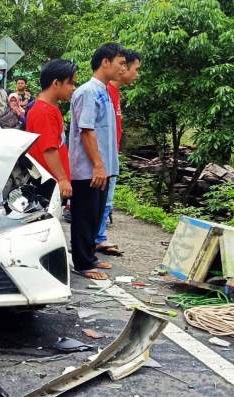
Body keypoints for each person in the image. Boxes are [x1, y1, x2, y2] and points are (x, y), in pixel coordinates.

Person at [68, 43, 126, 280]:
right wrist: (98, 165)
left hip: (104, 167)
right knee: (84, 215)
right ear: (105, 62)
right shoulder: (88, 91)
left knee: (96, 214)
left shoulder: (104, 91)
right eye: (120, 63)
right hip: (89, 169)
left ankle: (89, 256)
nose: (123, 68)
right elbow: (87, 130)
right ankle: (82, 263)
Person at [95, 49, 141, 256]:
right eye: (134, 68)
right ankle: (97, 239)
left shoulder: (114, 93)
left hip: (110, 154)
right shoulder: (104, 92)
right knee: (103, 201)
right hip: (103, 157)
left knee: (107, 201)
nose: (135, 74)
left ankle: (99, 237)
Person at [25, 59, 78, 200]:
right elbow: (49, 149)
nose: (73, 88)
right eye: (70, 83)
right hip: (47, 184)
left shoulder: (51, 108)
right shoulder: (43, 111)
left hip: (52, 183)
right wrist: (62, 179)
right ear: (56, 83)